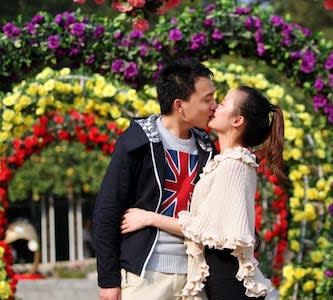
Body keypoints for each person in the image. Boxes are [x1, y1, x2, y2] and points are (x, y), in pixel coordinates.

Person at [121, 86, 283, 299]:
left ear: (237, 121)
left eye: (223, 102)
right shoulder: (223, 161)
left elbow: (203, 227)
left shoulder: (235, 164)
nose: (215, 106)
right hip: (220, 281)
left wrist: (149, 218)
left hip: (230, 283)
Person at [93, 58, 218, 300]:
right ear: (180, 105)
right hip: (145, 276)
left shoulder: (208, 148)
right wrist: (108, 280)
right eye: (207, 99)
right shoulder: (137, 141)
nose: (214, 105)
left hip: (196, 276)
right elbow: (107, 209)